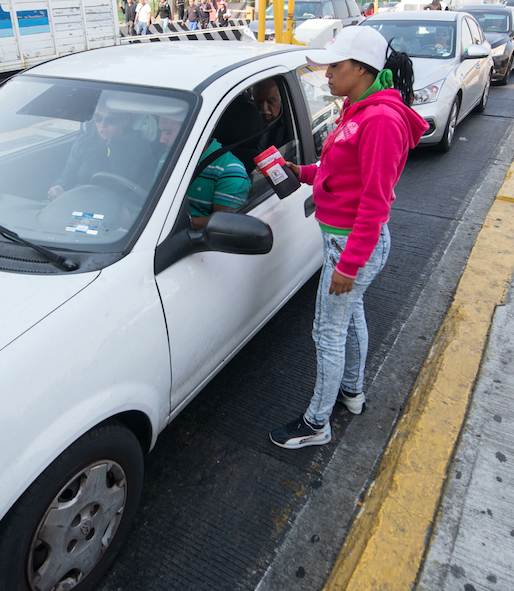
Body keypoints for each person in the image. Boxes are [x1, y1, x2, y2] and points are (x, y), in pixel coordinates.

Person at [269, 25, 427, 449]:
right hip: (343, 240)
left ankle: (317, 422)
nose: (327, 75)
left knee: (327, 331)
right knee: (350, 317)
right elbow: (338, 175)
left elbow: (376, 202)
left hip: (353, 245)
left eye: (335, 67)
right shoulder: (356, 109)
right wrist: (298, 173)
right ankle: (352, 392)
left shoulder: (379, 121)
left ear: (361, 68)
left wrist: (348, 266)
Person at [155, 117, 250, 230]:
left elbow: (223, 225)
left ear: (193, 130)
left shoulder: (230, 170)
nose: (161, 139)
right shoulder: (167, 159)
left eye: (168, 132)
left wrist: (174, 223)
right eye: (160, 132)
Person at [48, 107, 152, 199]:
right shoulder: (84, 141)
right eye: (98, 118)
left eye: (110, 120)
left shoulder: (139, 148)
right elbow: (69, 173)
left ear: (125, 120)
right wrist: (59, 186)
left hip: (116, 207)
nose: (102, 125)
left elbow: (139, 190)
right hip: (80, 199)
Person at [251, 79, 290, 150]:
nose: (263, 108)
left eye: (270, 101)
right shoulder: (245, 124)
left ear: (281, 102)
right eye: (259, 101)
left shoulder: (289, 128)